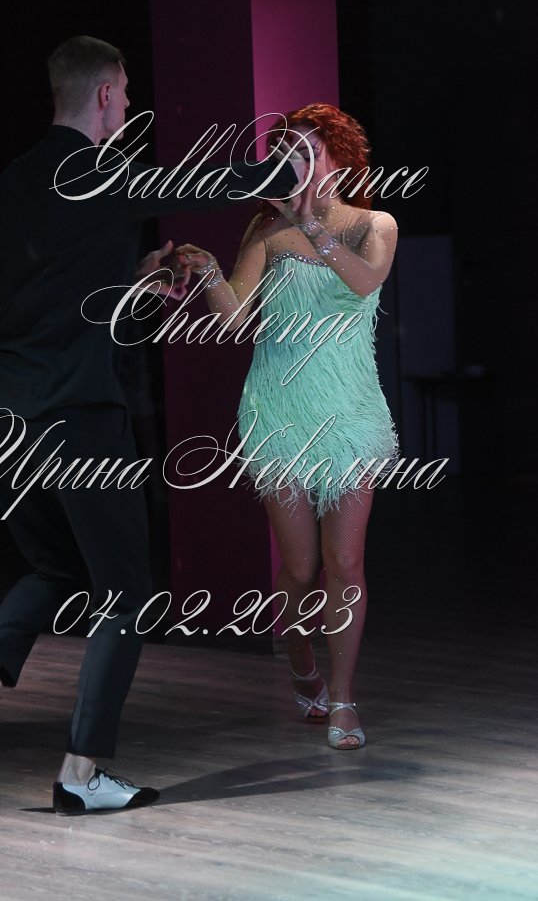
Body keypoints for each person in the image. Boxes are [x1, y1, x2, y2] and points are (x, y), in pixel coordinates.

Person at [0, 36, 305, 813]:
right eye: (128, 92)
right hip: (74, 416)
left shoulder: (14, 183)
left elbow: (52, 288)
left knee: (61, 569)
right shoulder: (103, 172)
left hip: (2, 414)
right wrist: (288, 171)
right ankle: (81, 773)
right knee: (127, 591)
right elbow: (201, 181)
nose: (132, 105)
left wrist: (137, 279)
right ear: (105, 95)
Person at [176, 103, 399, 750]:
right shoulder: (265, 227)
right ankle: (300, 658)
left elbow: (364, 283)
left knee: (345, 561)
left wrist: (312, 225)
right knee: (300, 568)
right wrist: (209, 272)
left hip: (349, 409)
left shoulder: (374, 224)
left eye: (309, 151)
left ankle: (344, 697)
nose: (296, 163)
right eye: (286, 152)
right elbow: (232, 318)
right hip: (277, 409)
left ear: (337, 157)